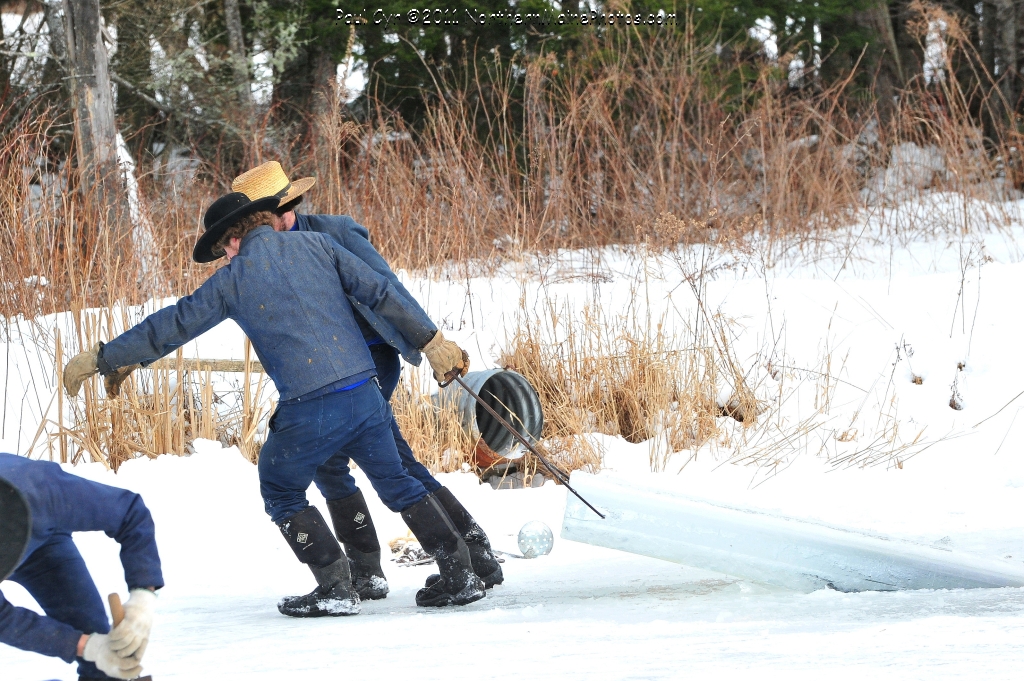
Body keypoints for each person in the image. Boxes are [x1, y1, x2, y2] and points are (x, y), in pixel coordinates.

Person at [63, 189, 484, 615]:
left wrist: (106, 358)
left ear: (231, 242)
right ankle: (459, 574)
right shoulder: (320, 244)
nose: (225, 257)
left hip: (312, 406)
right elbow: (380, 292)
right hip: (365, 394)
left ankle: (336, 586)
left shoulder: (233, 280)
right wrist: (432, 341)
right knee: (396, 481)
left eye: (222, 250)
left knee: (280, 484)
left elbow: (172, 324)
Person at [228, 162, 504, 600]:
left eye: (265, 217)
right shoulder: (263, 257)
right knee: (329, 462)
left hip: (370, 360)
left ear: (284, 209)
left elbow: (386, 287)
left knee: (390, 461)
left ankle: (471, 555)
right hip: (330, 374)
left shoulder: (334, 234)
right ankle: (370, 570)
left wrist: (432, 342)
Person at [0, 454, 161, 680]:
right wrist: (88, 646)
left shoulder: (45, 488)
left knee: (101, 661)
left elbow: (129, 514)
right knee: (95, 649)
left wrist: (143, 597)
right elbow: (2, 619)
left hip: (44, 544)